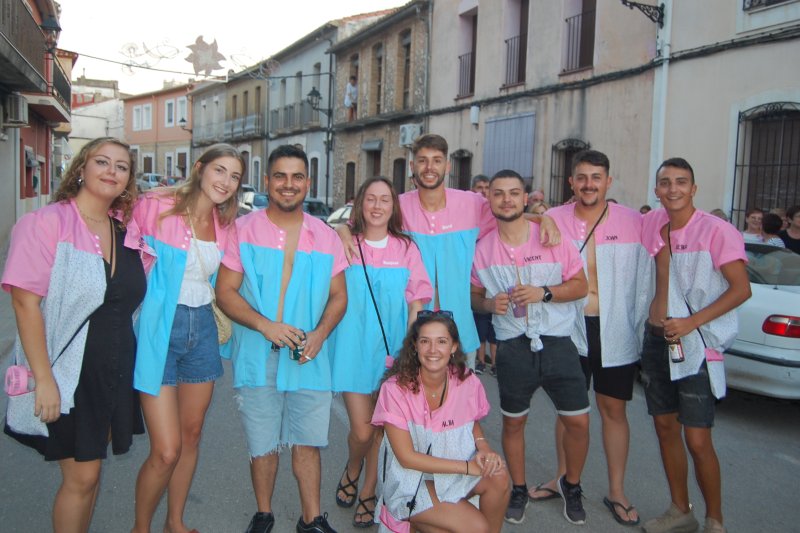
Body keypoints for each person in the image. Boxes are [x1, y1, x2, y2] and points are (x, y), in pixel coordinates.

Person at [2, 137, 148, 532]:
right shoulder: (46, 224)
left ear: (128, 179)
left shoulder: (125, 232)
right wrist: (44, 379)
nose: (111, 171)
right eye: (101, 161)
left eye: (121, 166)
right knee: (81, 478)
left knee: (90, 474)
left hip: (112, 370)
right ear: (80, 168)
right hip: (67, 372)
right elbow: (24, 305)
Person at [337, 134, 559, 371]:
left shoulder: (472, 204)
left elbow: (509, 215)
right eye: (422, 161)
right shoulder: (397, 206)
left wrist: (541, 218)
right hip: (409, 332)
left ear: (447, 165)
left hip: (460, 332)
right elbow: (358, 226)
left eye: (437, 160)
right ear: (412, 167)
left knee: (460, 405)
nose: (430, 167)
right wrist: (342, 229)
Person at [215, 145, 348, 533]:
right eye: (280, 176)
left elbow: (340, 296)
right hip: (258, 354)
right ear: (268, 181)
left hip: (309, 356)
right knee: (263, 443)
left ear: (308, 182)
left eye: (296, 177)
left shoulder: (325, 236)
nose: (288, 185)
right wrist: (266, 326)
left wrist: (321, 335)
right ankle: (264, 513)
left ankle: (311, 519)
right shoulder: (243, 230)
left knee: (308, 441)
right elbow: (225, 292)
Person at [131, 144, 244, 533]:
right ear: (199, 169)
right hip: (159, 328)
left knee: (191, 434)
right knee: (166, 449)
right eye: (219, 171)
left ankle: (174, 522)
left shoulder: (226, 224)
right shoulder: (156, 206)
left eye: (234, 176)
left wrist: (345, 228)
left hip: (203, 330)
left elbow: (270, 241)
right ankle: (140, 528)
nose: (226, 182)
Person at [470, 170, 589, 526]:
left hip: (557, 343)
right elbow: (474, 296)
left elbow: (581, 285)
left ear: (526, 198)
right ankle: (518, 488)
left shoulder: (552, 236)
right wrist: (490, 305)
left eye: (514, 193)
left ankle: (572, 484)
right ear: (489, 200)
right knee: (513, 424)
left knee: (579, 422)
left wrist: (545, 293)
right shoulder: (483, 249)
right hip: (512, 347)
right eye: (498, 194)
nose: (506, 199)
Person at [539, 150, 649, 527]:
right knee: (569, 411)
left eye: (596, 177)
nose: (589, 184)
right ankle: (562, 477)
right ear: (571, 182)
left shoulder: (633, 221)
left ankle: (616, 490)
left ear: (608, 182)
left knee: (613, 411)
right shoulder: (553, 218)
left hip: (614, 329)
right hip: (567, 328)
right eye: (582, 177)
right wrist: (537, 216)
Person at [640, 158, 751, 533]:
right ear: (656, 191)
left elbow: (741, 289)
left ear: (694, 188)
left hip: (696, 345)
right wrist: (544, 220)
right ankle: (679, 509)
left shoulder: (717, 231)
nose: (673, 189)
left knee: (699, 439)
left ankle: (714, 520)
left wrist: (692, 322)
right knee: (665, 430)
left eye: (681, 182)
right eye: (666, 183)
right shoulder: (653, 224)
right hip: (657, 342)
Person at [329, 176, 432, 528]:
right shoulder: (344, 243)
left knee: (382, 429)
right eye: (370, 199)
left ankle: (369, 491)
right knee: (362, 430)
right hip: (351, 349)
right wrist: (341, 229)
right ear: (359, 204)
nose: (376, 206)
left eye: (384, 199)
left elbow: (417, 302)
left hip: (392, 353)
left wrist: (411, 352)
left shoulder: (406, 248)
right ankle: (353, 466)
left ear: (393, 207)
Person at [372, 312, 511, 533]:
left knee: (499, 475)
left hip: (450, 470)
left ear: (453, 346)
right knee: (476, 527)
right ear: (415, 346)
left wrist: (484, 448)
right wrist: (467, 468)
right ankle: (412, 519)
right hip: (410, 482)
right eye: (425, 341)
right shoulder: (395, 389)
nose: (433, 350)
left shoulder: (466, 380)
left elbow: (471, 421)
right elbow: (406, 458)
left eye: (442, 341)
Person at [470, 174, 497, 376]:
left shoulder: (495, 213)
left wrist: (543, 218)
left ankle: (492, 359)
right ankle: (477, 358)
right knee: (476, 320)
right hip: (467, 279)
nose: (483, 191)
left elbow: (520, 219)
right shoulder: (467, 212)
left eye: (487, 187)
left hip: (489, 278)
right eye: (479, 187)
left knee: (491, 321)